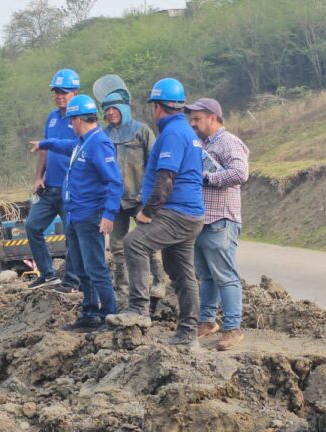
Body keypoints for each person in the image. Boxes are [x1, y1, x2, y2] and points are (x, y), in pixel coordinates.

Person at [106, 78, 205, 348]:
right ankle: (187, 334)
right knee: (181, 272)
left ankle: (138, 308)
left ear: (158, 107)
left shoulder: (172, 134)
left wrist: (148, 211)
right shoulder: (185, 131)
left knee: (133, 243)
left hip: (177, 213)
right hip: (189, 214)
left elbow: (166, 178)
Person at [30, 94, 123, 331]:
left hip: (90, 216)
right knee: (81, 268)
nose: (70, 125)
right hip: (75, 216)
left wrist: (108, 214)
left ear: (79, 120)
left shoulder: (99, 144)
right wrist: (44, 144)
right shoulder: (82, 143)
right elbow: (63, 145)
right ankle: (89, 312)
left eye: (72, 121)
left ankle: (109, 315)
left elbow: (114, 182)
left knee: (96, 268)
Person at [185, 98, 250, 351]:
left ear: (212, 117)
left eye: (197, 119)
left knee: (225, 275)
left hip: (221, 219)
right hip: (202, 219)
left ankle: (233, 328)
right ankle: (207, 321)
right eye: (191, 119)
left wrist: (208, 178)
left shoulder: (228, 142)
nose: (193, 124)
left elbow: (240, 173)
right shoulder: (200, 144)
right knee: (206, 275)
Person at [100, 90, 169, 301]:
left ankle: (159, 282)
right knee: (117, 246)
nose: (111, 113)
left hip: (141, 199)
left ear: (125, 109)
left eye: (115, 108)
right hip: (116, 201)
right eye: (107, 109)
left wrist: (148, 196)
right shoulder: (103, 136)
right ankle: (122, 289)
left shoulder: (142, 131)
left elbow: (156, 163)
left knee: (149, 241)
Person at [25, 69, 81, 291]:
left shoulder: (80, 118)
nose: (59, 96)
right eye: (56, 92)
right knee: (32, 226)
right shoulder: (52, 117)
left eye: (64, 92)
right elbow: (45, 150)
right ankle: (48, 274)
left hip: (72, 189)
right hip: (51, 187)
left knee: (71, 236)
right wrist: (39, 176)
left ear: (75, 92)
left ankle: (72, 281)